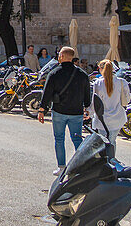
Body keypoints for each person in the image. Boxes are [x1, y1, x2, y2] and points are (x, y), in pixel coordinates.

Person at [39, 47, 92, 175]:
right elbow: (87, 94)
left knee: (59, 139)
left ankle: (61, 167)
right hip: (76, 112)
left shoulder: (54, 73)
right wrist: (86, 107)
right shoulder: (82, 74)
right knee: (77, 139)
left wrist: (42, 109)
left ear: (61, 56)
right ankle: (82, 166)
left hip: (59, 111)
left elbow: (47, 93)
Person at [91, 59, 131, 151]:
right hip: (117, 118)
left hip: (102, 119)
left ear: (101, 69)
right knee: (112, 141)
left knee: (102, 143)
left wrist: (89, 113)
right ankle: (111, 160)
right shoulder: (122, 82)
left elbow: (94, 102)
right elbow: (127, 99)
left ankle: (105, 162)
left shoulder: (98, 83)